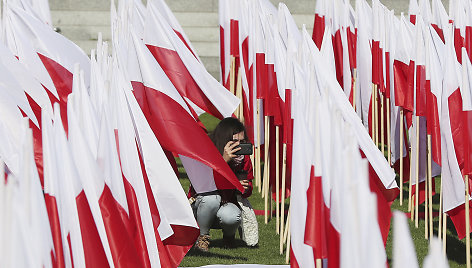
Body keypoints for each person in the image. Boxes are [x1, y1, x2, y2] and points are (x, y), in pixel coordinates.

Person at [190, 117, 254, 252]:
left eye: (242, 142)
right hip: (201, 205)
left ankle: (229, 237)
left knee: (231, 215)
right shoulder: (206, 150)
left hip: (226, 203)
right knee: (212, 199)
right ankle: (203, 238)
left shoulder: (243, 158)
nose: (238, 145)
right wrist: (224, 161)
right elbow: (204, 183)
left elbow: (248, 190)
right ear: (224, 139)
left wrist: (245, 188)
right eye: (234, 141)